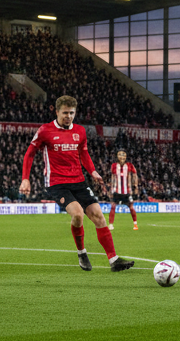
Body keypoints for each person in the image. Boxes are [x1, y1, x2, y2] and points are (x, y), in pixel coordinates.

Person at [19, 95, 133, 273]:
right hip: (57, 183)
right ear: (57, 112)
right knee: (78, 214)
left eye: (72, 113)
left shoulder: (79, 131)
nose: (68, 116)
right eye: (65, 113)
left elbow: (84, 154)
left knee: (98, 216)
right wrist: (25, 178)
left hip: (79, 180)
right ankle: (81, 252)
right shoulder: (45, 130)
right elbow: (30, 153)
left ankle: (114, 260)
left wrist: (93, 171)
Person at [107, 149, 140, 231]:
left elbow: (135, 175)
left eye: (123, 155)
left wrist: (135, 187)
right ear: (117, 156)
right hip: (116, 191)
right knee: (113, 206)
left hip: (127, 191)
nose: (122, 156)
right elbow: (113, 177)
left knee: (131, 207)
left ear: (126, 156)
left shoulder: (130, 165)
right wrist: (111, 189)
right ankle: (111, 225)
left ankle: (135, 224)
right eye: (120, 154)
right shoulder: (114, 165)